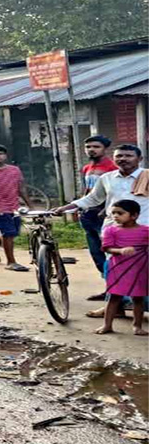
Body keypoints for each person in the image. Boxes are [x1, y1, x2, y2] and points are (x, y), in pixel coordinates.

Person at [56, 144, 149, 318]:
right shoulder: (107, 178)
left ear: (139, 159)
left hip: (143, 232)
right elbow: (93, 198)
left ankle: (137, 308)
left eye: (128, 156)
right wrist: (68, 207)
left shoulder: (147, 176)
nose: (123, 159)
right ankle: (115, 307)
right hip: (114, 232)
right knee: (113, 270)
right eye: (119, 156)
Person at [94, 199, 147, 336]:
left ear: (134, 215)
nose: (116, 216)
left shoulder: (145, 231)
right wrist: (121, 250)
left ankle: (137, 326)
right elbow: (107, 248)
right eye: (113, 213)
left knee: (138, 298)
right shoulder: (110, 230)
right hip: (118, 268)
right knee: (114, 297)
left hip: (140, 268)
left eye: (120, 213)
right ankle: (107, 325)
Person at [79, 136, 118, 300]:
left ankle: (118, 293)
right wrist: (79, 207)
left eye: (96, 146)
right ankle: (109, 288)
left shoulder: (112, 167)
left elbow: (114, 193)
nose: (91, 150)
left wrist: (104, 210)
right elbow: (86, 191)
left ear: (105, 149)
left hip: (104, 216)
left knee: (111, 254)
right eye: (88, 147)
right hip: (88, 215)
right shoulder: (87, 167)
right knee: (97, 254)